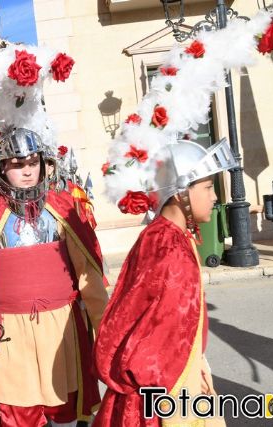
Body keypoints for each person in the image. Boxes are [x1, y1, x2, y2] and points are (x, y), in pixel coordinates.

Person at [0, 127, 109, 426]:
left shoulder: (63, 207)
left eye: (32, 163)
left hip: (60, 328)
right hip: (11, 333)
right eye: (17, 165)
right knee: (19, 414)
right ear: (2, 168)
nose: (27, 172)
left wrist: (105, 326)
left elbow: (88, 274)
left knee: (64, 411)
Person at [94, 139, 233, 427]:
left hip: (180, 369)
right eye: (207, 188)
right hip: (166, 384)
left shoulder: (166, 235)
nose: (215, 197)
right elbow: (159, 338)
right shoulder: (170, 249)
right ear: (181, 192)